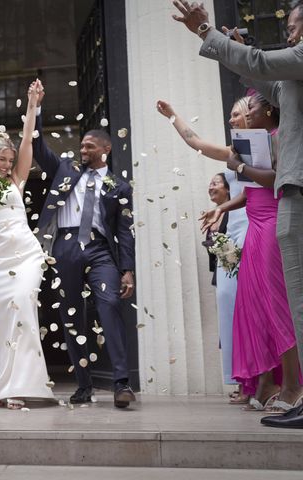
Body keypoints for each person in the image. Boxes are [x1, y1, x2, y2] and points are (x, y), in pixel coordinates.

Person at [172, 0, 303, 429]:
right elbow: (265, 79)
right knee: (291, 300)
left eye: (294, 24)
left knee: (293, 299)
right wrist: (238, 55)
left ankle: (292, 388)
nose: (289, 32)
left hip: (294, 191)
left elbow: (263, 64)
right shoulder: (289, 80)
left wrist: (205, 31)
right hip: (288, 193)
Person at [31, 80, 136, 408]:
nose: (83, 149)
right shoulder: (64, 168)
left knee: (108, 305)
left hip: (100, 250)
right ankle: (83, 385)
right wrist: (36, 107)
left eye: (89, 146)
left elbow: (126, 231)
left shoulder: (118, 186)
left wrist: (128, 271)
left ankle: (121, 384)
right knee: (71, 316)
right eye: (83, 145)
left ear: (104, 149)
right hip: (64, 248)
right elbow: (37, 147)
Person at [197, 94, 302, 412]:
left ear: (268, 109)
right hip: (255, 230)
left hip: (272, 225)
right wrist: (222, 208)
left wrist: (239, 165)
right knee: (255, 309)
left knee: (276, 306)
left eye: (248, 109)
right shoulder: (254, 140)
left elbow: (276, 180)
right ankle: (266, 382)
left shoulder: (281, 135)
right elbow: (250, 191)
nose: (238, 117)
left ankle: (293, 387)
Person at [0, 81, 56, 409]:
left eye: (9, 159)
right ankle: (5, 387)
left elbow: (27, 138)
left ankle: (28, 382)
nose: (6, 164)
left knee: (24, 306)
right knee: (2, 320)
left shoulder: (16, 179)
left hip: (27, 253)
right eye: (1, 159)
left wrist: (33, 104)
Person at [156, 98, 250, 404]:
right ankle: (243, 379)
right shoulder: (232, 154)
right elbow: (194, 141)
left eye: (239, 115)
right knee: (228, 304)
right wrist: (173, 115)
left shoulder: (271, 147)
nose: (232, 120)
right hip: (232, 236)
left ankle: (265, 381)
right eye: (232, 115)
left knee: (254, 308)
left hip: (257, 229)